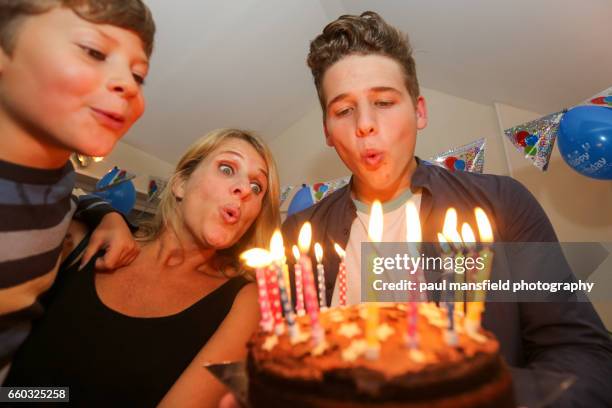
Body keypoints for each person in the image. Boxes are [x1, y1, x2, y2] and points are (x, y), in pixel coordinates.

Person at [281, 11, 612, 407]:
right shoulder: (300, 235)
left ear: (419, 111)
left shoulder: (502, 204)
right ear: (327, 132)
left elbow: (584, 353)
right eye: (343, 110)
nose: (365, 124)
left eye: (384, 101)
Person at [7, 128, 281, 407]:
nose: (245, 190)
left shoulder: (247, 301)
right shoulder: (87, 241)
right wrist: (103, 211)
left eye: (257, 186)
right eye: (226, 168)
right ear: (181, 184)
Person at [0, 0, 156, 377]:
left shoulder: (57, 183)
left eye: (139, 76)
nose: (127, 85)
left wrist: (106, 214)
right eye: (94, 51)